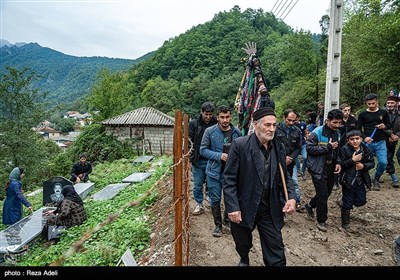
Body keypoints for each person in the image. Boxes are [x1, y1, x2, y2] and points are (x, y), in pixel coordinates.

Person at [222, 107, 296, 266]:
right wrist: (232, 207)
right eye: (267, 125)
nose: (271, 129)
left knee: (276, 249)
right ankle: (244, 258)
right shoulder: (240, 145)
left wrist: (291, 197)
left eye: (274, 125)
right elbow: (229, 179)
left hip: (269, 206)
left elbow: (285, 175)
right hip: (245, 205)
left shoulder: (278, 146)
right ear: (255, 125)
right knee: (243, 242)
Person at [200, 105, 241, 237]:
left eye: (227, 117)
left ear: (230, 117)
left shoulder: (237, 133)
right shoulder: (210, 132)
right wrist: (219, 156)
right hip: (214, 171)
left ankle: (227, 219)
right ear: (217, 117)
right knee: (215, 198)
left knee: (230, 196)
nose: (225, 120)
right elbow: (203, 150)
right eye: (222, 117)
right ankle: (218, 225)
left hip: (231, 172)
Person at [305, 109, 343, 232]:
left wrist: (338, 162)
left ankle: (310, 204)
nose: (337, 125)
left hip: (330, 167)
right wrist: (327, 147)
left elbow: (338, 150)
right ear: (327, 121)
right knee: (322, 194)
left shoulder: (337, 133)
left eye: (339, 123)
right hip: (317, 167)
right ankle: (322, 220)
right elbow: (310, 149)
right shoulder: (316, 133)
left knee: (327, 192)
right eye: (335, 123)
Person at [338, 130, 374, 231]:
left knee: (361, 201)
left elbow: (372, 163)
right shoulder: (344, 150)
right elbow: (341, 164)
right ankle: (345, 223)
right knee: (348, 203)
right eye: (352, 139)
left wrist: (363, 166)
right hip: (348, 180)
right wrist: (352, 161)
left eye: (357, 139)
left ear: (361, 139)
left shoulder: (366, 150)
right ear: (348, 140)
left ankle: (343, 201)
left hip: (361, 180)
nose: (355, 141)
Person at [357, 93, 391, 191]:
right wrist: (364, 137)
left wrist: (384, 126)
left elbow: (389, 125)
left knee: (383, 162)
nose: (371, 106)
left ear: (377, 102)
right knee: (362, 162)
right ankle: (364, 180)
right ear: (366, 103)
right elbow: (358, 129)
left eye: (373, 103)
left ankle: (375, 178)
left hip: (381, 142)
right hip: (367, 143)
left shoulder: (383, 113)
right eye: (369, 104)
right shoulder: (362, 114)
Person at [188, 102, 217, 215]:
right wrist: (189, 159)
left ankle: (210, 202)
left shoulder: (216, 123)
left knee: (211, 183)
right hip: (198, 159)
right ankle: (199, 204)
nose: (208, 117)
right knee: (198, 184)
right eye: (206, 114)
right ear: (202, 112)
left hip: (212, 159)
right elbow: (189, 142)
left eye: (210, 114)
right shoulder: (194, 124)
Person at [275, 109, 302, 208]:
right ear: (284, 117)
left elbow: (298, 147)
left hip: (291, 162)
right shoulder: (276, 129)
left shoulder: (297, 131)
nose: (291, 123)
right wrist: (282, 158)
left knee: (290, 182)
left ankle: (290, 202)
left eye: (293, 121)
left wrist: (290, 158)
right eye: (289, 120)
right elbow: (272, 146)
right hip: (277, 162)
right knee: (277, 184)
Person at [384, 95, 400, 187]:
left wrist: (397, 136)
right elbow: (381, 125)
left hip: (393, 140)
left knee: (389, 157)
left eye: (392, 103)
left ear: (396, 104)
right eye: (388, 103)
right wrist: (390, 134)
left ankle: (376, 176)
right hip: (382, 139)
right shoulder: (382, 113)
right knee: (386, 159)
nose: (389, 105)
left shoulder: (399, 115)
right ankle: (394, 177)